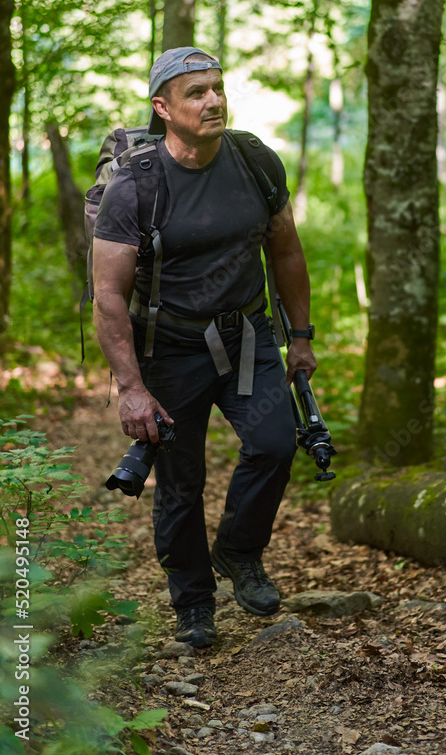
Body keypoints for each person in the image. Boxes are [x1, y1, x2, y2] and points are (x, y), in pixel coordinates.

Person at [92, 47, 317, 648]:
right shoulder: (136, 186)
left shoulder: (255, 161)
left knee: (274, 445)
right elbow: (108, 296)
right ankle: (193, 605)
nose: (213, 100)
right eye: (196, 92)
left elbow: (286, 251)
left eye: (217, 87)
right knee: (180, 483)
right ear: (163, 108)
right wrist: (131, 388)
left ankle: (239, 552)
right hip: (169, 350)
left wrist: (300, 337)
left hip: (247, 336)